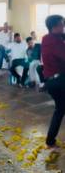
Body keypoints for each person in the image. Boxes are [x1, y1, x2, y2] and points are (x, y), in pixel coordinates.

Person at [41, 15, 65, 149]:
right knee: (60, 109)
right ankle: (50, 139)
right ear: (54, 27)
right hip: (59, 82)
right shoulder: (55, 42)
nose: (64, 27)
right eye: (62, 25)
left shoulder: (47, 38)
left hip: (52, 81)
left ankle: (50, 140)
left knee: (60, 109)